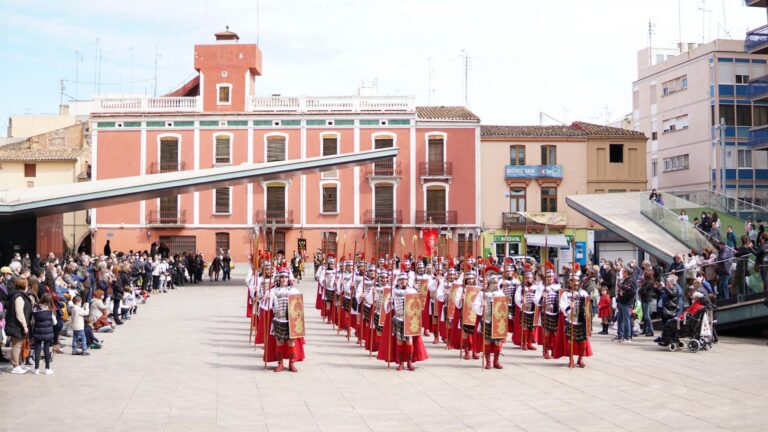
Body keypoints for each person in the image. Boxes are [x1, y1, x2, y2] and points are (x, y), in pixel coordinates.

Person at [267, 269, 303, 372]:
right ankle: (280, 363)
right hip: (278, 319)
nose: (283, 279)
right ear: (278, 279)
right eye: (281, 277)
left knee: (291, 342)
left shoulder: (294, 291)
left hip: (290, 321)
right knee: (279, 341)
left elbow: (298, 306)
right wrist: (266, 296)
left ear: (288, 279)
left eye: (285, 277)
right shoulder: (273, 291)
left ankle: (292, 363)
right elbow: (265, 305)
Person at [554, 273, 593, 368]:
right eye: (573, 281)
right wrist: (568, 307)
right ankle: (571, 359)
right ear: (569, 282)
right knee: (570, 341)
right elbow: (562, 306)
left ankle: (580, 359)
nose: (575, 283)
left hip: (581, 320)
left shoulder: (583, 293)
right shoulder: (565, 294)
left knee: (582, 340)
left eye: (576, 281)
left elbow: (588, 308)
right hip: (570, 320)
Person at [472, 270, 505, 369]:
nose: (495, 285)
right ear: (489, 283)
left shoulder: (500, 293)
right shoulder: (482, 294)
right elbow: (474, 307)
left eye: (496, 283)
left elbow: (504, 307)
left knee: (497, 341)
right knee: (487, 340)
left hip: (498, 321)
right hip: (486, 320)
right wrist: (481, 305)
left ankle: (496, 361)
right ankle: (488, 361)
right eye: (493, 283)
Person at [5, 278, 33, 374]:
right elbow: (19, 313)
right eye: (27, 284)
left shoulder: (18, 295)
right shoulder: (19, 297)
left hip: (15, 324)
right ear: (23, 286)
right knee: (17, 345)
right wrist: (25, 326)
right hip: (16, 325)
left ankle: (17, 364)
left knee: (17, 345)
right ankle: (15, 366)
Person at [31, 293, 56, 375]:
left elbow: (32, 321)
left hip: (37, 332)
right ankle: (47, 368)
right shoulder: (50, 310)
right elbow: (55, 322)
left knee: (37, 350)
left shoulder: (35, 308)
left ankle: (36, 369)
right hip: (48, 332)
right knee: (46, 350)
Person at [539, 270, 560, 359]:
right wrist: (542, 297)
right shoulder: (541, 287)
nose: (550, 279)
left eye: (551, 277)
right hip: (545, 311)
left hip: (556, 312)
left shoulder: (558, 287)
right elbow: (536, 301)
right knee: (546, 332)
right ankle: (545, 351)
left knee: (555, 332)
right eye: (548, 277)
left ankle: (554, 350)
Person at [638, 270, 656, 337]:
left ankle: (651, 330)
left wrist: (641, 289)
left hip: (646, 299)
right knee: (645, 315)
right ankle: (645, 330)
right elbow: (642, 290)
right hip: (644, 298)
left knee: (646, 315)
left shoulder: (650, 282)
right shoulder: (646, 281)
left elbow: (642, 289)